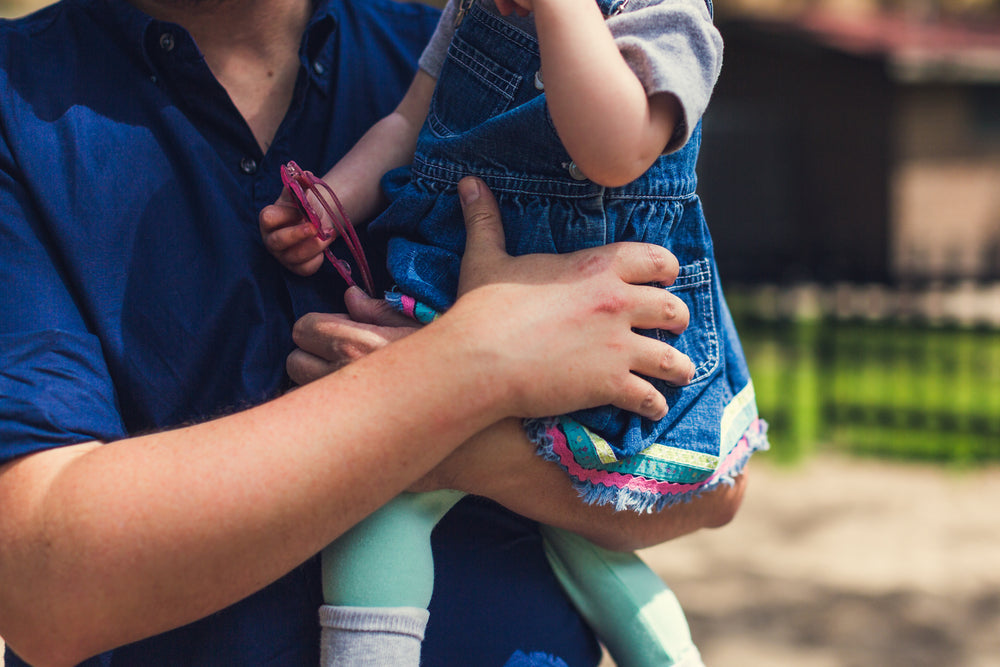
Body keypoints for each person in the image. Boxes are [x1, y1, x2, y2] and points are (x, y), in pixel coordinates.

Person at [0, 1, 750, 666]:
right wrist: (471, 366)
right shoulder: (15, 104)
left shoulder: (466, 34)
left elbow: (709, 481)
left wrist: (455, 409)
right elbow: (40, 587)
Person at [260, 0, 767, 665]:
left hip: (599, 324)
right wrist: (335, 199)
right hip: (452, 291)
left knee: (579, 524)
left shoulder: (665, 13)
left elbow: (615, 150)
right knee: (406, 506)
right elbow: (411, 119)